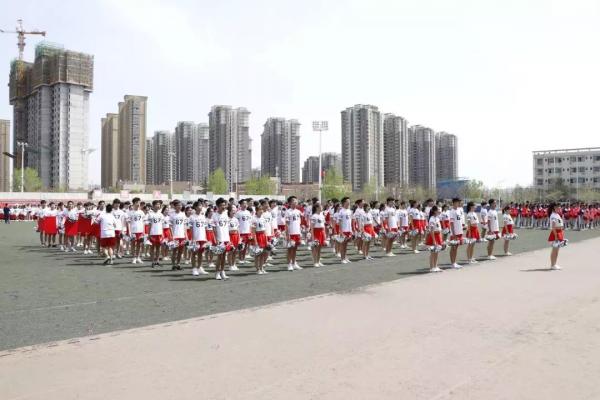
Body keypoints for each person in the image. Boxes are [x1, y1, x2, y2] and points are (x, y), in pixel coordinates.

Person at [212, 198, 231, 280]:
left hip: (226, 238)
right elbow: (214, 228)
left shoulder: (226, 214)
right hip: (219, 238)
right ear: (217, 206)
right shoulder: (214, 215)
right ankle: (217, 272)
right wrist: (216, 238)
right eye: (221, 205)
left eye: (224, 205)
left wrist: (229, 238)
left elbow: (227, 227)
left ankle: (222, 271)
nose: (223, 207)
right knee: (219, 256)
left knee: (224, 256)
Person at [189, 201, 209, 276]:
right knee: (194, 253)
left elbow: (205, 228)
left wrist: (206, 237)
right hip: (195, 238)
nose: (201, 207)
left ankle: (199, 267)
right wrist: (193, 238)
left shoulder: (203, 216)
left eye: (201, 206)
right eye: (199, 206)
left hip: (202, 237)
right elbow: (191, 228)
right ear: (195, 207)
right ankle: (194, 269)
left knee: (201, 253)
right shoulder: (192, 217)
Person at [284, 196, 303, 270]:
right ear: (290, 203)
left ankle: (294, 263)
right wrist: (287, 234)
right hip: (291, 233)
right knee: (290, 249)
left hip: (297, 232)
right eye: (294, 201)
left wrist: (300, 231)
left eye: (296, 201)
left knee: (295, 249)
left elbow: (300, 222)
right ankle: (289, 264)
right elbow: (286, 224)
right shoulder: (288, 212)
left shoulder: (298, 211)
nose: (295, 202)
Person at [169, 200, 188, 270]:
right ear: (174, 206)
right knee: (174, 251)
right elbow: (170, 226)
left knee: (180, 251)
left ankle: (178, 264)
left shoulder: (183, 214)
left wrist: (186, 235)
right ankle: (173, 264)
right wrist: (171, 235)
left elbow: (184, 225)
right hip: (175, 235)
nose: (179, 206)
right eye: (178, 205)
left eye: (180, 205)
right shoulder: (172, 215)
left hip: (182, 235)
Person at [251, 206, 269, 274]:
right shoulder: (254, 219)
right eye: (260, 210)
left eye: (262, 210)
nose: (261, 211)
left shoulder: (263, 218)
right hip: (258, 236)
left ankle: (261, 267)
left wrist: (266, 239)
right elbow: (253, 231)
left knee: (263, 254)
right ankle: (257, 269)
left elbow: (265, 230)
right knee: (258, 254)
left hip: (263, 236)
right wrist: (255, 241)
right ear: (256, 211)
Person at [147, 200, 165, 268]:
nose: (158, 205)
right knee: (152, 248)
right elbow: (149, 225)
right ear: (153, 205)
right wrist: (149, 234)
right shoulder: (150, 214)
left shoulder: (161, 214)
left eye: (159, 204)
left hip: (159, 233)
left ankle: (157, 261)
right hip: (153, 233)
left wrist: (162, 233)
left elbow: (162, 225)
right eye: (157, 204)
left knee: (158, 248)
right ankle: (152, 262)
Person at [425, 206, 443, 273]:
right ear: (435, 211)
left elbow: (439, 228)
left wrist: (440, 238)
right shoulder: (432, 219)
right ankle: (431, 267)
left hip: (438, 235)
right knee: (432, 252)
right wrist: (434, 240)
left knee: (437, 251)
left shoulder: (437, 218)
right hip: (433, 236)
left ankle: (435, 266)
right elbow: (432, 231)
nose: (439, 211)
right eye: (438, 210)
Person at [127, 198, 146, 264]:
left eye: (139, 203)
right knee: (133, 244)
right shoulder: (130, 212)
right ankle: (134, 258)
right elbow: (128, 223)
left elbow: (143, 222)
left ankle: (138, 257)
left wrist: (143, 231)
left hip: (140, 231)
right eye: (137, 202)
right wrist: (129, 231)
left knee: (139, 244)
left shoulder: (141, 212)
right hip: (133, 231)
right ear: (134, 203)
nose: (138, 204)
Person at [448, 198, 464, 269]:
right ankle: (452, 263)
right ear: (454, 203)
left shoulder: (459, 210)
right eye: (458, 202)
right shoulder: (452, 211)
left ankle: (454, 262)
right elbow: (451, 223)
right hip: (455, 232)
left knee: (456, 247)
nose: (459, 203)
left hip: (459, 231)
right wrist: (454, 234)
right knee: (453, 248)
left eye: (459, 202)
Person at [548, 202, 565, 270]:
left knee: (557, 250)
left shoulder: (557, 214)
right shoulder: (553, 215)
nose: (559, 208)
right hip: (556, 233)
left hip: (559, 232)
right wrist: (555, 236)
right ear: (554, 208)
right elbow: (553, 227)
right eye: (558, 207)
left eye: (559, 207)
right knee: (554, 250)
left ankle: (555, 264)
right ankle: (552, 265)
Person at [310, 202, 327, 267]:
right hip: (316, 232)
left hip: (321, 232)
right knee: (315, 248)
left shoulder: (322, 215)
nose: (322, 207)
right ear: (317, 208)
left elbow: (323, 226)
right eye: (320, 206)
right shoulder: (314, 216)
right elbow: (312, 227)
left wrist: (324, 235)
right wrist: (313, 237)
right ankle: (315, 262)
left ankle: (318, 261)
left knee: (319, 248)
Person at [337, 197, 353, 264]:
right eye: (347, 201)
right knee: (342, 245)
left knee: (346, 245)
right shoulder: (341, 211)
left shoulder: (349, 211)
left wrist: (351, 230)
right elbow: (339, 222)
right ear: (344, 202)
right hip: (343, 230)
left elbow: (350, 221)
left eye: (349, 201)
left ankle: (345, 257)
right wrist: (341, 231)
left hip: (348, 230)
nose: (349, 202)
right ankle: (342, 258)